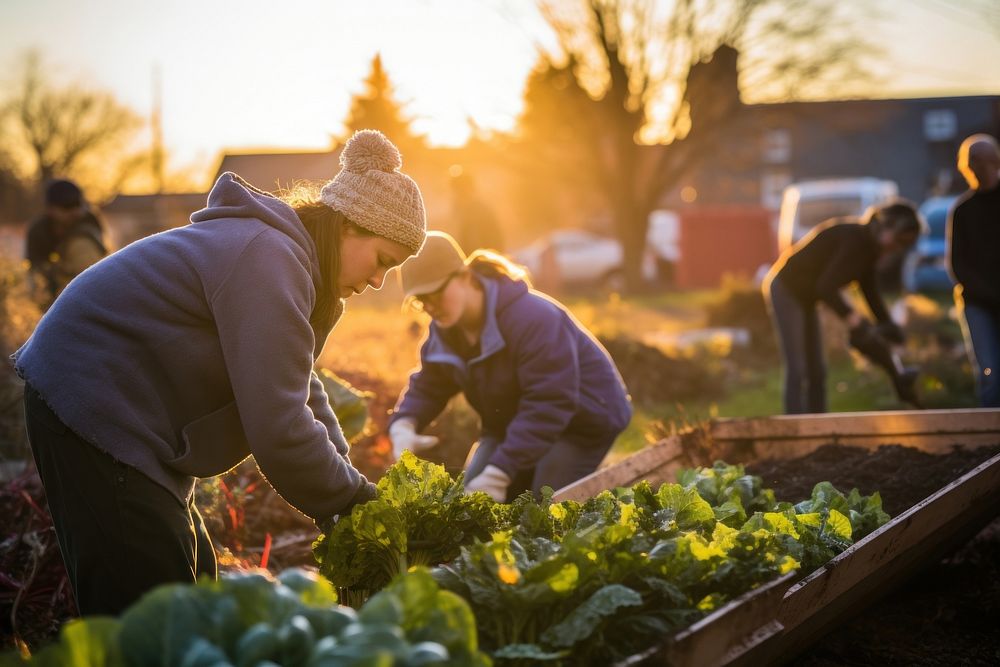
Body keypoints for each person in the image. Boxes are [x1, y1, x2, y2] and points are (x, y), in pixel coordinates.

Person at [11, 130, 426, 615]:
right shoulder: (268, 258)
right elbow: (280, 428)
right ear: (350, 225)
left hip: (133, 414)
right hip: (92, 398)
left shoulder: (288, 263)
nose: (378, 281)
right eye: (382, 261)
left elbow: (298, 386)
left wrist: (347, 482)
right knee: (153, 607)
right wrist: (356, 501)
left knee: (196, 584)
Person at [387, 231, 632, 502]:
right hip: (510, 425)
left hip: (581, 422)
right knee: (471, 503)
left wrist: (500, 472)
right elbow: (429, 385)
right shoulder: (445, 331)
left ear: (465, 276)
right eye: (421, 301)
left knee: (547, 502)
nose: (430, 306)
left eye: (435, 293)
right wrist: (404, 424)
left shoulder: (534, 319)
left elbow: (550, 402)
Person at [763, 200, 925, 414]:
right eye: (898, 241)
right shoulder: (854, 240)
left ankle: (818, 426)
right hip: (787, 290)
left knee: (818, 371)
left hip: (807, 297)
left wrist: (888, 325)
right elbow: (826, 286)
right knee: (798, 368)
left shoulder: (870, 250)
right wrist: (852, 318)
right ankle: (794, 428)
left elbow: (870, 292)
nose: (897, 248)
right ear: (888, 226)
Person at [947, 134, 1000, 407]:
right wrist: (987, 293)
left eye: (977, 160)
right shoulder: (963, 210)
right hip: (978, 303)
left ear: (992, 161)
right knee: (990, 372)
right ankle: (992, 439)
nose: (972, 166)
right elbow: (957, 264)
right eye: (969, 162)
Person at [25, 178, 108, 308]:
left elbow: (97, 279)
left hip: (84, 300)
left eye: (77, 205)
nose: (74, 212)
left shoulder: (85, 230)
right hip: (52, 297)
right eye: (66, 206)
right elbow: (34, 271)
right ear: (50, 209)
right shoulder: (38, 232)